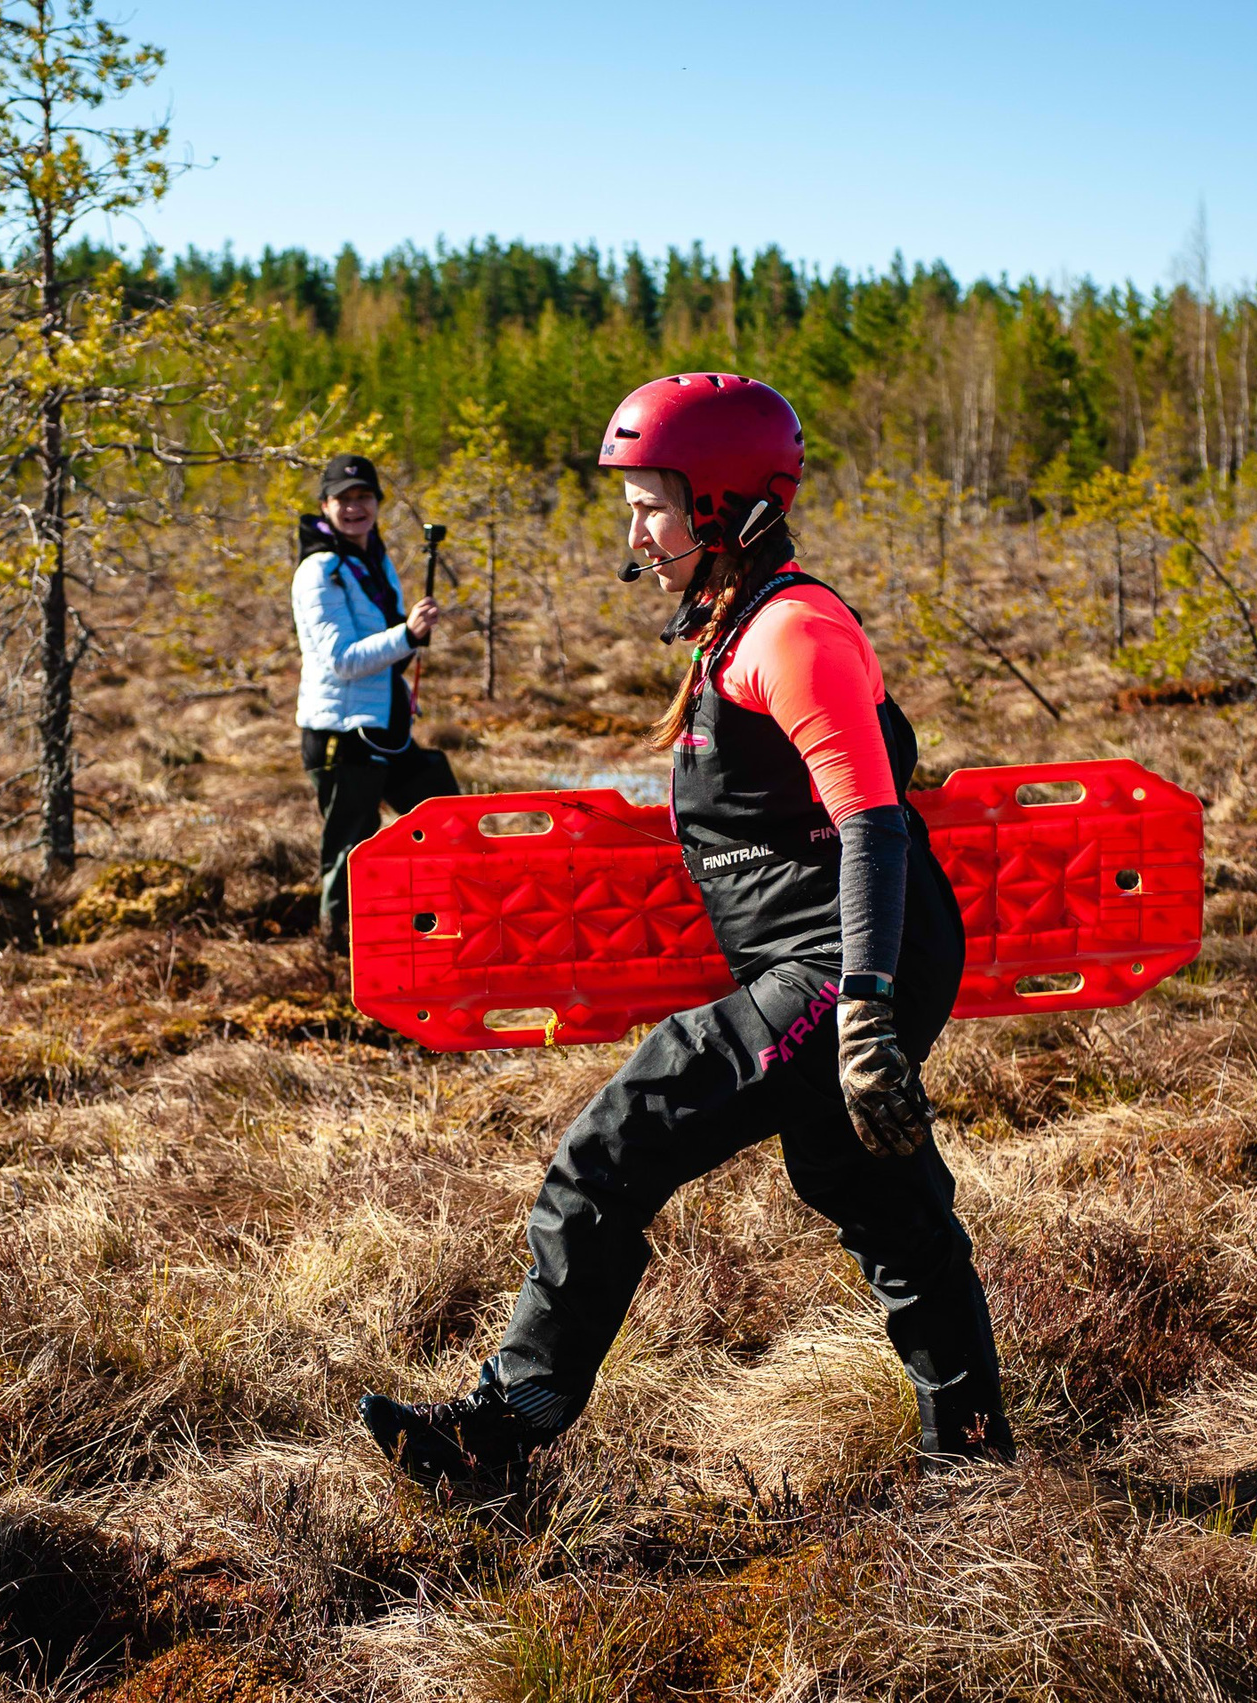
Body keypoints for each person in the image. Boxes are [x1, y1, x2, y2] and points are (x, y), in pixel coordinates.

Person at [359, 375, 1011, 1484]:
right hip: (840, 961)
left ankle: (499, 1432)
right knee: (881, 1201)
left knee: (609, 1148)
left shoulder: (793, 630)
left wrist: (862, 1015)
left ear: (720, 507)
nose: (635, 530)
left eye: (652, 505)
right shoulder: (734, 627)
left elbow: (871, 826)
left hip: (842, 967)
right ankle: (980, 1458)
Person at [293, 453, 458, 952]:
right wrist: (407, 634)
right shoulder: (319, 571)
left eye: (364, 496)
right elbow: (341, 659)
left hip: (384, 728)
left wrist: (407, 637)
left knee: (442, 815)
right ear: (325, 505)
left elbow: (383, 645)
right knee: (350, 849)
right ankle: (336, 955)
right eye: (344, 499)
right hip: (340, 737)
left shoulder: (373, 557)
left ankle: (437, 929)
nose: (355, 507)